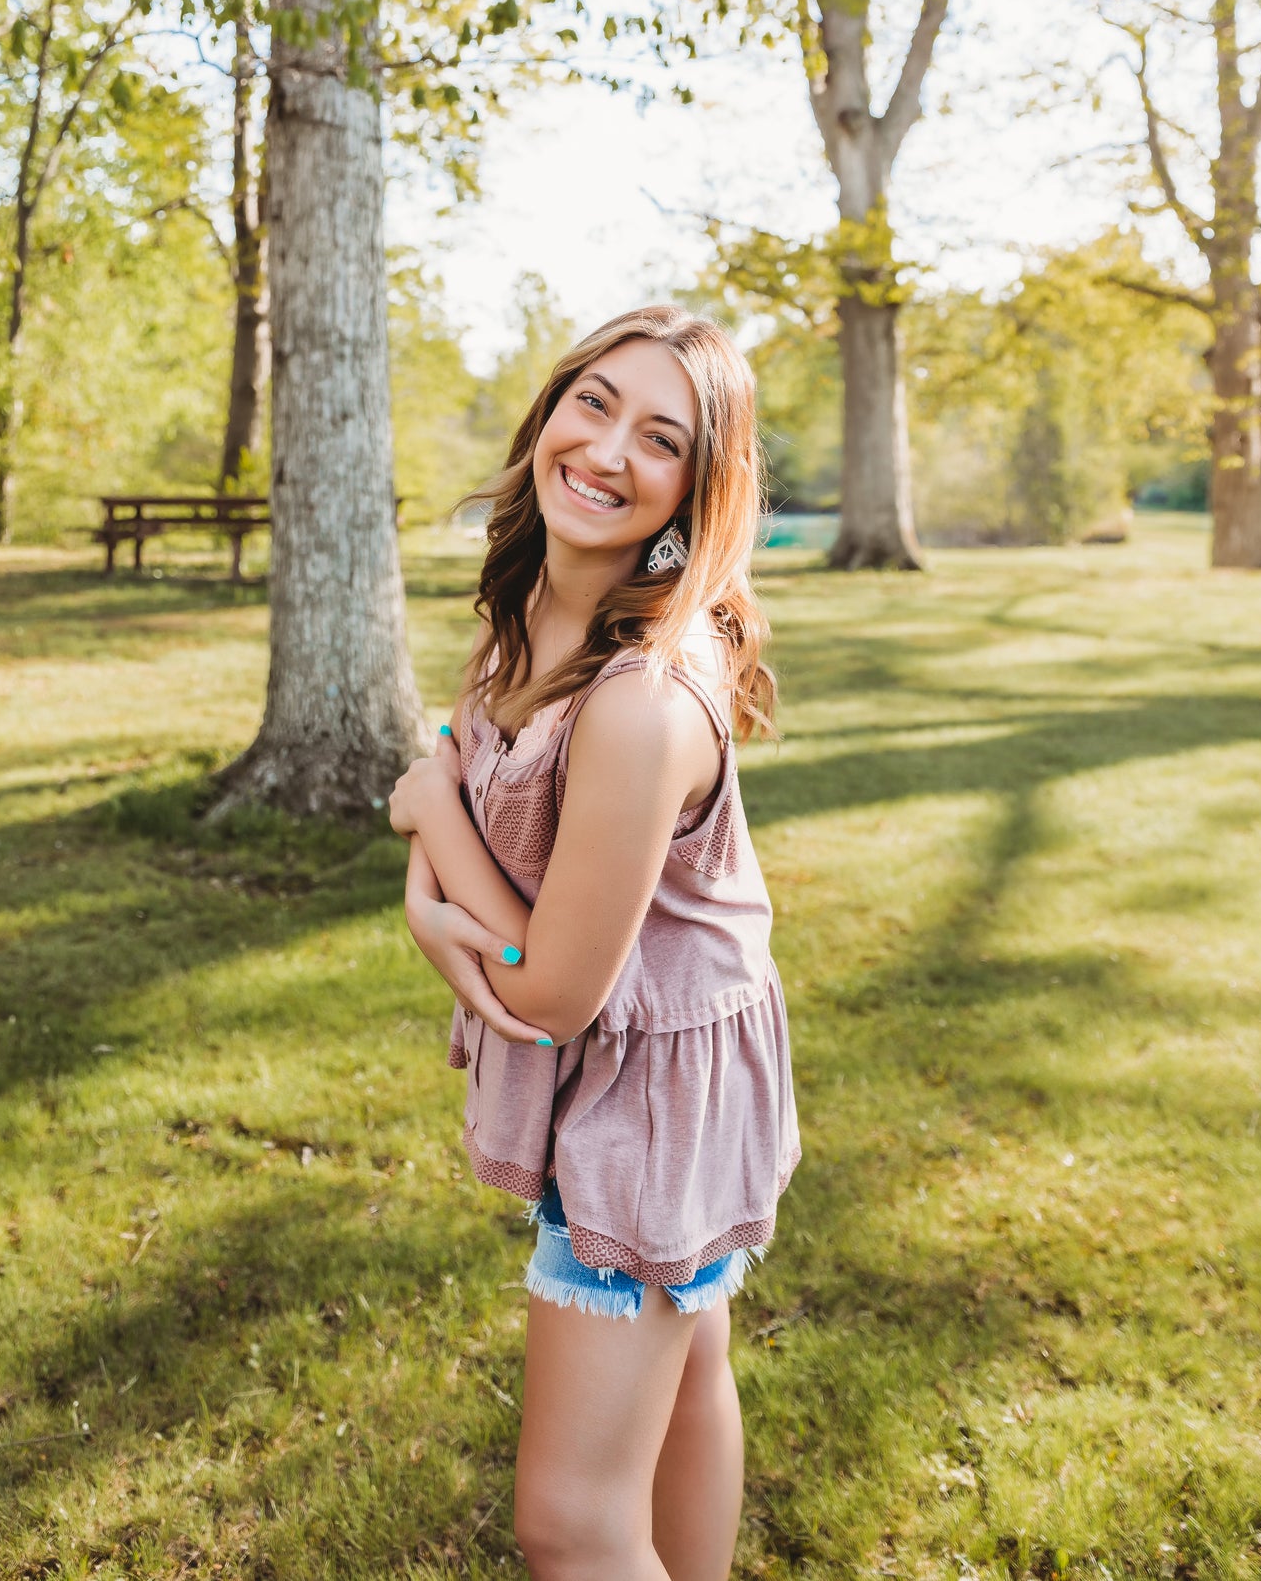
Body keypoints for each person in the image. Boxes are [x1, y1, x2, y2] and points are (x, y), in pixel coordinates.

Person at [389, 304, 799, 1581]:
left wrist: (424, 817)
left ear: (698, 486)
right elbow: (468, 772)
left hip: (649, 1094)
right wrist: (431, 871)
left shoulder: (635, 703)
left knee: (568, 1525)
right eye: (593, 403)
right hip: (672, 1051)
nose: (608, 449)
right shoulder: (527, 611)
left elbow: (553, 990)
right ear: (548, 410)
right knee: (686, 1380)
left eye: (660, 438)